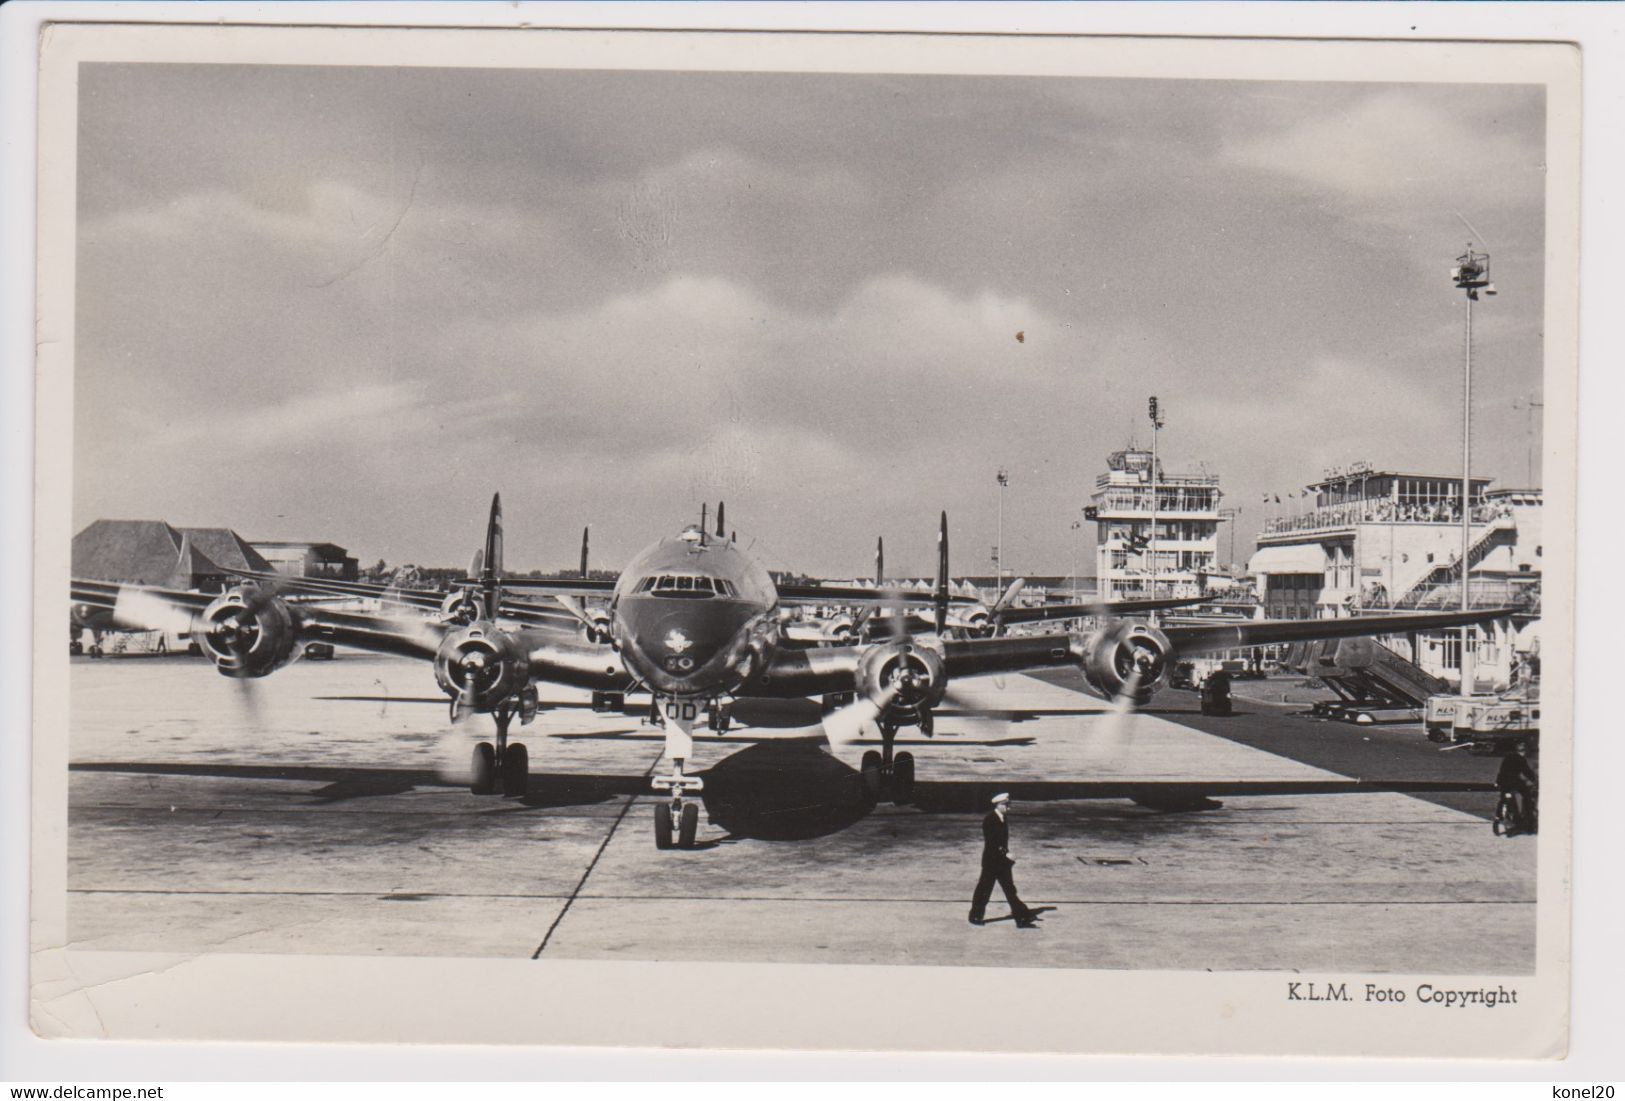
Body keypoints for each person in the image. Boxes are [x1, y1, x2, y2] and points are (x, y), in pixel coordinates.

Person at [969, 793, 1037, 928]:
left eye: (1008, 805)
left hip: (1000, 862)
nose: (1008, 808)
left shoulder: (1002, 818)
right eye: (1006, 805)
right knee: (985, 889)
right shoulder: (990, 820)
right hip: (992, 862)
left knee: (1009, 890)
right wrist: (1007, 854)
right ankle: (975, 916)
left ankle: (1022, 918)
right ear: (998, 805)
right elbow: (992, 843)